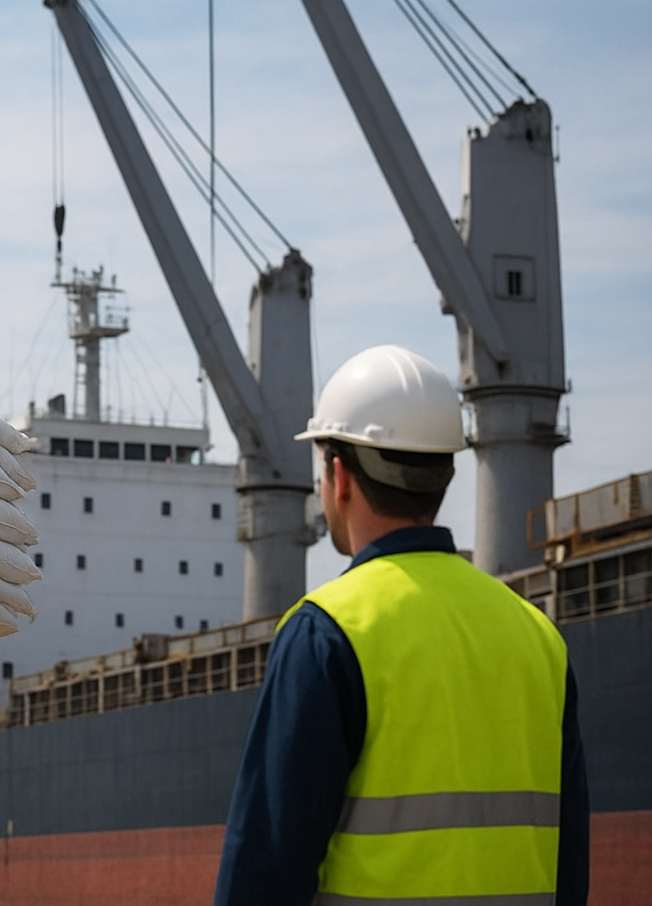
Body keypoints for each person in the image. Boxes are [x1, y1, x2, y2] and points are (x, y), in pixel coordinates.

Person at [213, 344, 589, 905]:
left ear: (338, 475)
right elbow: (569, 865)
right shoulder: (537, 636)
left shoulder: (327, 632)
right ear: (445, 473)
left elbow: (265, 869)